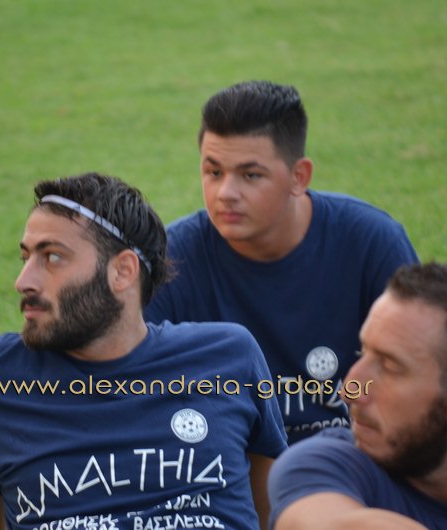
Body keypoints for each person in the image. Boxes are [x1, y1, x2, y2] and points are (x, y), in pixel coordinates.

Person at [0, 173, 286, 529]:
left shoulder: (228, 358)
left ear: (122, 271)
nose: (23, 281)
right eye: (25, 257)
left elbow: (271, 509)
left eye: (52, 257)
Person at [144, 80, 419, 444]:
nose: (226, 193)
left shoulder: (373, 242)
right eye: (214, 172)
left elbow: (420, 373)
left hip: (355, 456)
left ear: (298, 177)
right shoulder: (171, 259)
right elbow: (136, 394)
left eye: (250, 175)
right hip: (229, 466)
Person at [269, 262, 447, 529]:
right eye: (362, 353)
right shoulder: (324, 467)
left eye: (390, 367)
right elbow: (319, 521)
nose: (349, 389)